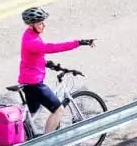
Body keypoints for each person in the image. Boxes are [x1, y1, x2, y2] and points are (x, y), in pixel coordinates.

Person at [18, 7, 93, 136]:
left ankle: (26, 143)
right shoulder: (32, 41)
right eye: (40, 23)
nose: (43, 25)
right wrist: (78, 43)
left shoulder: (29, 35)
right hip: (34, 84)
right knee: (59, 110)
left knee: (31, 116)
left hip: (28, 80)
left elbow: (31, 58)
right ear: (32, 24)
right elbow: (52, 48)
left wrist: (48, 64)